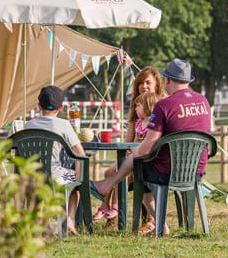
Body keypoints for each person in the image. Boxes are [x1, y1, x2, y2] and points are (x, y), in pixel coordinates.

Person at [94, 58, 212, 235]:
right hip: (196, 170)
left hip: (167, 171)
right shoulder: (203, 101)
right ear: (188, 81)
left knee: (139, 167)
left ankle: (159, 224)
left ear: (167, 80)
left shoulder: (163, 105)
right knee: (139, 161)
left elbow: (147, 147)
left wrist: (135, 152)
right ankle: (112, 186)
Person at [25, 85, 86, 235]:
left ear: (39, 106)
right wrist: (79, 178)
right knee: (75, 187)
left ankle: (37, 222)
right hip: (56, 177)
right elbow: (80, 153)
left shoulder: (29, 125)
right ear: (61, 108)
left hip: (32, 177)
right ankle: (70, 219)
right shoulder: (64, 124)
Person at [93, 91, 158, 221]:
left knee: (119, 173)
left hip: (143, 160)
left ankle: (116, 206)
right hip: (133, 155)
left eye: (138, 106)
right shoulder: (139, 123)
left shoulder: (153, 123)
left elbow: (149, 144)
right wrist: (130, 150)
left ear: (147, 106)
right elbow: (135, 141)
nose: (135, 109)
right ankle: (104, 204)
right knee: (108, 172)